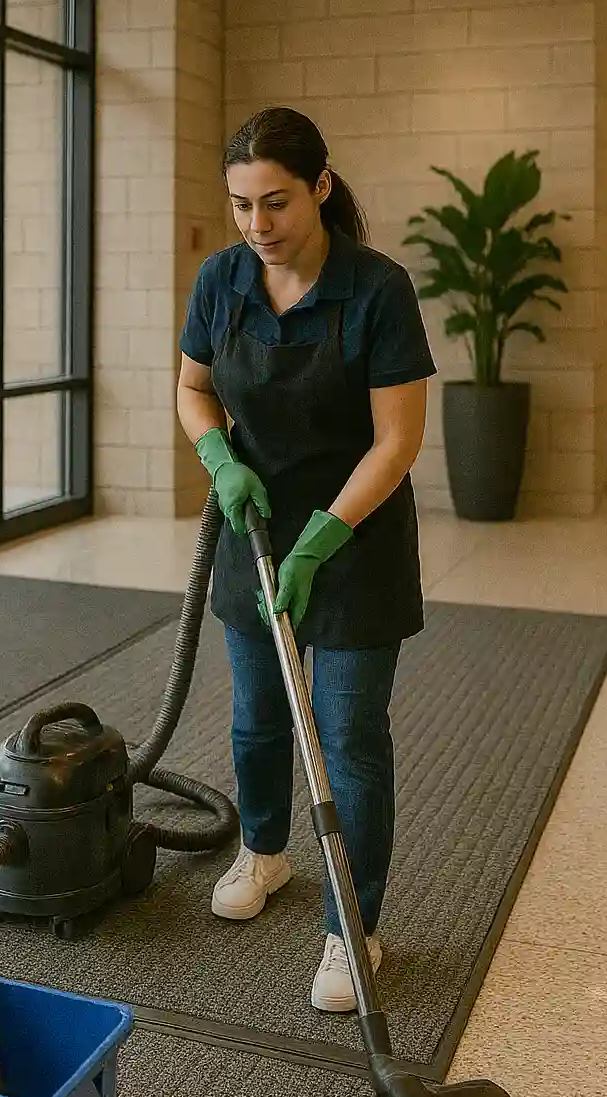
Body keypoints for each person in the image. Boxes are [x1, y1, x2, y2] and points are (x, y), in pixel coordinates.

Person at [176, 105, 436, 1013]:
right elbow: (193, 387)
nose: (259, 226)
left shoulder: (377, 289)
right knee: (257, 715)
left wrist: (325, 535)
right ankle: (265, 850)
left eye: (277, 202)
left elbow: (397, 440)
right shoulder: (222, 281)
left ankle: (351, 926)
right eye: (243, 205)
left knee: (350, 735)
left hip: (356, 537)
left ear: (321, 188)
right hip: (254, 528)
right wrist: (218, 457)